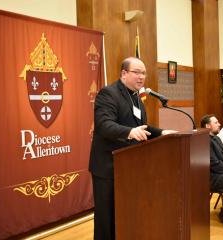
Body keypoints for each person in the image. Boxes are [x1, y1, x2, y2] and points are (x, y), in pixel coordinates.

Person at [89, 57, 175, 240]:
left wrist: (163, 132)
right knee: (107, 218)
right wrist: (130, 132)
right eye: (137, 72)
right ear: (124, 74)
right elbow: (104, 125)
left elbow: (141, 128)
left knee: (126, 215)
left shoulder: (136, 97)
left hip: (130, 168)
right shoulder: (108, 94)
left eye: (144, 73)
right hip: (108, 167)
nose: (141, 77)